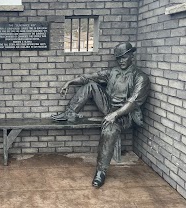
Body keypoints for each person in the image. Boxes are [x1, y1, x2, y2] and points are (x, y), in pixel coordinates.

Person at [51, 42, 150, 188]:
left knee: (109, 130)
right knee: (91, 85)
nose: (121, 60)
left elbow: (134, 102)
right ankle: (69, 113)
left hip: (126, 115)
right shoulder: (113, 72)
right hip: (109, 108)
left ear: (131, 56)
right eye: (119, 58)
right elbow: (90, 77)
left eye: (124, 57)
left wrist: (114, 115)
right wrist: (70, 82)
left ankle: (101, 171)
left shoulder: (140, 77)